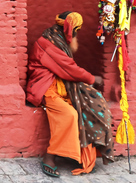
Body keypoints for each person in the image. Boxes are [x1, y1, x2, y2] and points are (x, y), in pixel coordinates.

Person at [26, 11, 114, 177]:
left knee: (86, 107)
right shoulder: (47, 44)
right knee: (70, 114)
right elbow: (69, 69)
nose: (77, 35)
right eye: (77, 31)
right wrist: (92, 78)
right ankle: (49, 157)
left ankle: (78, 155)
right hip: (45, 89)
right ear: (70, 30)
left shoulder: (55, 40)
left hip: (61, 87)